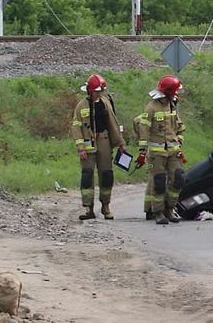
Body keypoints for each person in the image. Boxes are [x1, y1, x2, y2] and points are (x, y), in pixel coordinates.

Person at [70, 73, 128, 220]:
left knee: (106, 175)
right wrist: (81, 147)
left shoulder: (106, 102)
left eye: (100, 91)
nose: (99, 93)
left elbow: (113, 124)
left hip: (104, 141)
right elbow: (76, 127)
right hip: (88, 146)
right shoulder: (81, 106)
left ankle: (106, 206)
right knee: (87, 176)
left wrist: (120, 143)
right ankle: (88, 208)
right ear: (89, 91)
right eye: (96, 91)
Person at [138, 75, 186, 225]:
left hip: (173, 151)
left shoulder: (172, 105)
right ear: (169, 92)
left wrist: (179, 139)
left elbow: (179, 127)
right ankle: (158, 212)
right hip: (157, 153)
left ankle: (170, 208)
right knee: (158, 182)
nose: (177, 94)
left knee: (178, 178)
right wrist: (142, 151)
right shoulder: (151, 108)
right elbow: (143, 129)